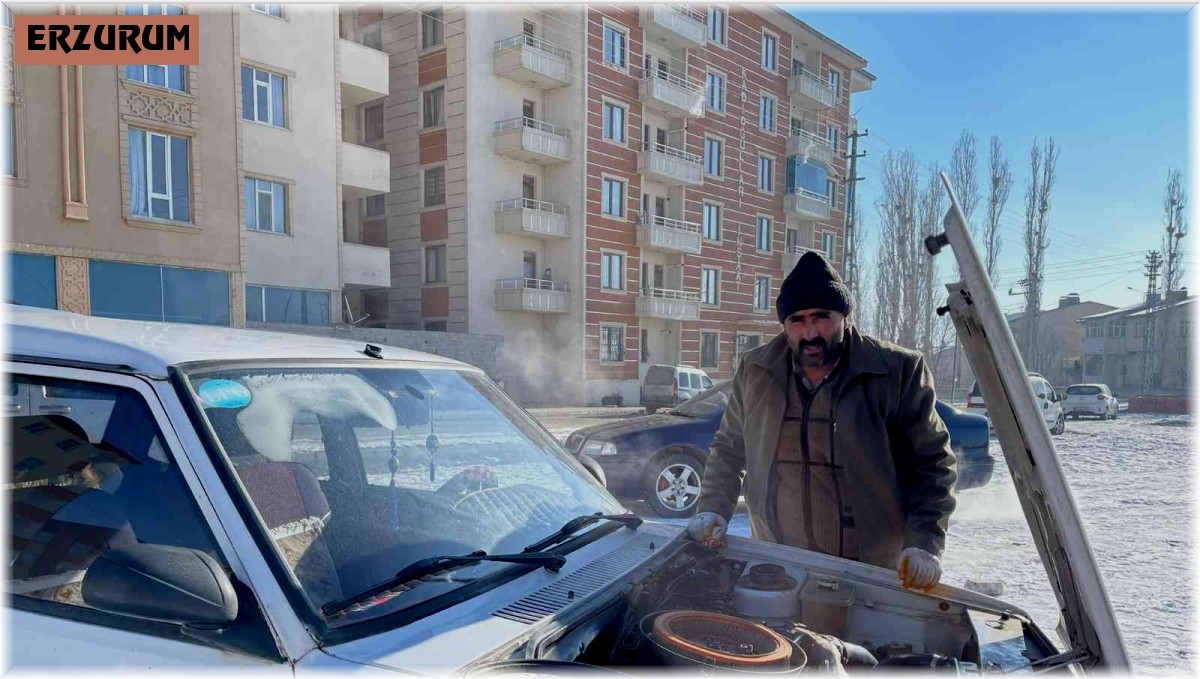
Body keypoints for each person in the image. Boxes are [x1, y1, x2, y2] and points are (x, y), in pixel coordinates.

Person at [688, 252, 956, 591]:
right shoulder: (756, 371)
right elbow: (729, 449)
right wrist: (712, 508)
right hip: (779, 562)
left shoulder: (896, 371)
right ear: (784, 325)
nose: (810, 332)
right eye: (797, 320)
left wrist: (924, 543)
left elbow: (932, 464)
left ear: (844, 316)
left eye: (822, 317)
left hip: (868, 568)